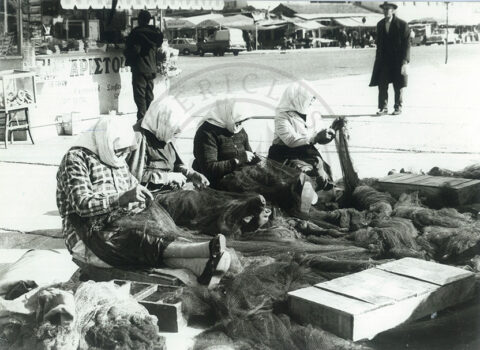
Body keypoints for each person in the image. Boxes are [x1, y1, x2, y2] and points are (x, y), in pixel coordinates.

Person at [56, 116, 230, 288]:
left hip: (116, 225)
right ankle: (203, 250)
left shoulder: (115, 157)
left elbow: (132, 186)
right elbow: (82, 204)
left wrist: (138, 197)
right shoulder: (76, 159)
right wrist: (122, 198)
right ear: (106, 142)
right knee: (138, 237)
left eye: (127, 151)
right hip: (88, 235)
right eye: (120, 150)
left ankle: (201, 267)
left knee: (154, 228)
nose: (124, 156)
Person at [267, 81, 343, 192]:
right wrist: (314, 138)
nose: (314, 100)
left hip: (305, 150)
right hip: (284, 152)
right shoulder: (282, 115)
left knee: (322, 168)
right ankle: (306, 194)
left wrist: (328, 133)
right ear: (298, 97)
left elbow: (318, 134)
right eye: (311, 97)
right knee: (301, 174)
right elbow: (290, 140)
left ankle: (322, 190)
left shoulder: (311, 111)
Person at [128, 97, 210, 191]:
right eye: (173, 131)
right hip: (152, 195)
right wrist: (166, 177)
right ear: (164, 122)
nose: (174, 136)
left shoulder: (162, 132)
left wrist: (190, 174)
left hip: (172, 191)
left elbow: (174, 164)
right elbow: (133, 177)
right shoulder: (138, 137)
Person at [192, 96, 257, 189]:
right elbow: (209, 169)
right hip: (214, 184)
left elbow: (249, 154)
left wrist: (256, 160)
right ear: (229, 114)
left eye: (242, 121)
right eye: (238, 121)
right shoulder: (207, 133)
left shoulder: (238, 129)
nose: (240, 125)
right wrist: (237, 160)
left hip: (237, 179)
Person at [369, 2, 411, 116]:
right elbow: (380, 43)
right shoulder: (380, 24)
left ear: (393, 10)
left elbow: (407, 45)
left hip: (397, 61)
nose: (386, 11)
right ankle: (383, 107)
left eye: (388, 9)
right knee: (382, 84)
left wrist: (405, 61)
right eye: (384, 9)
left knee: (398, 85)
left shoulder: (402, 25)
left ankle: (398, 107)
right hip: (384, 61)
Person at [124, 10, 164, 120]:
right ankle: (150, 119)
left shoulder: (136, 32)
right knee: (149, 95)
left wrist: (126, 53)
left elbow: (135, 50)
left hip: (140, 68)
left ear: (140, 20)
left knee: (140, 97)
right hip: (151, 68)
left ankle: (142, 121)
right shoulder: (155, 32)